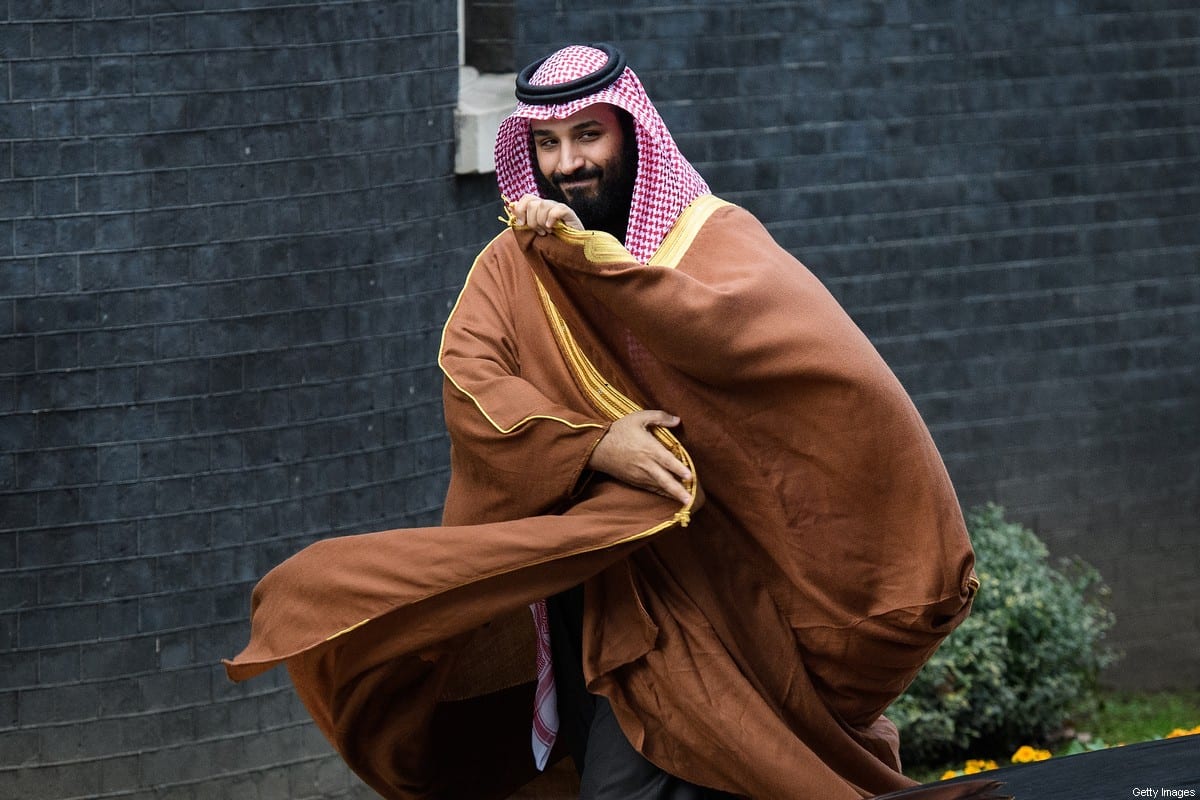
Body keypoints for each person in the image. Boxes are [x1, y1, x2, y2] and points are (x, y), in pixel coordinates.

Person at [226, 44, 980, 800]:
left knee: (675, 775)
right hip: (580, 587)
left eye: (589, 135)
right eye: (547, 144)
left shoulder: (714, 241)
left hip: (711, 590)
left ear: (631, 132)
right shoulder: (511, 264)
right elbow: (472, 379)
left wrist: (591, 262)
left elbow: (813, 374)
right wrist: (594, 446)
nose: (568, 163)